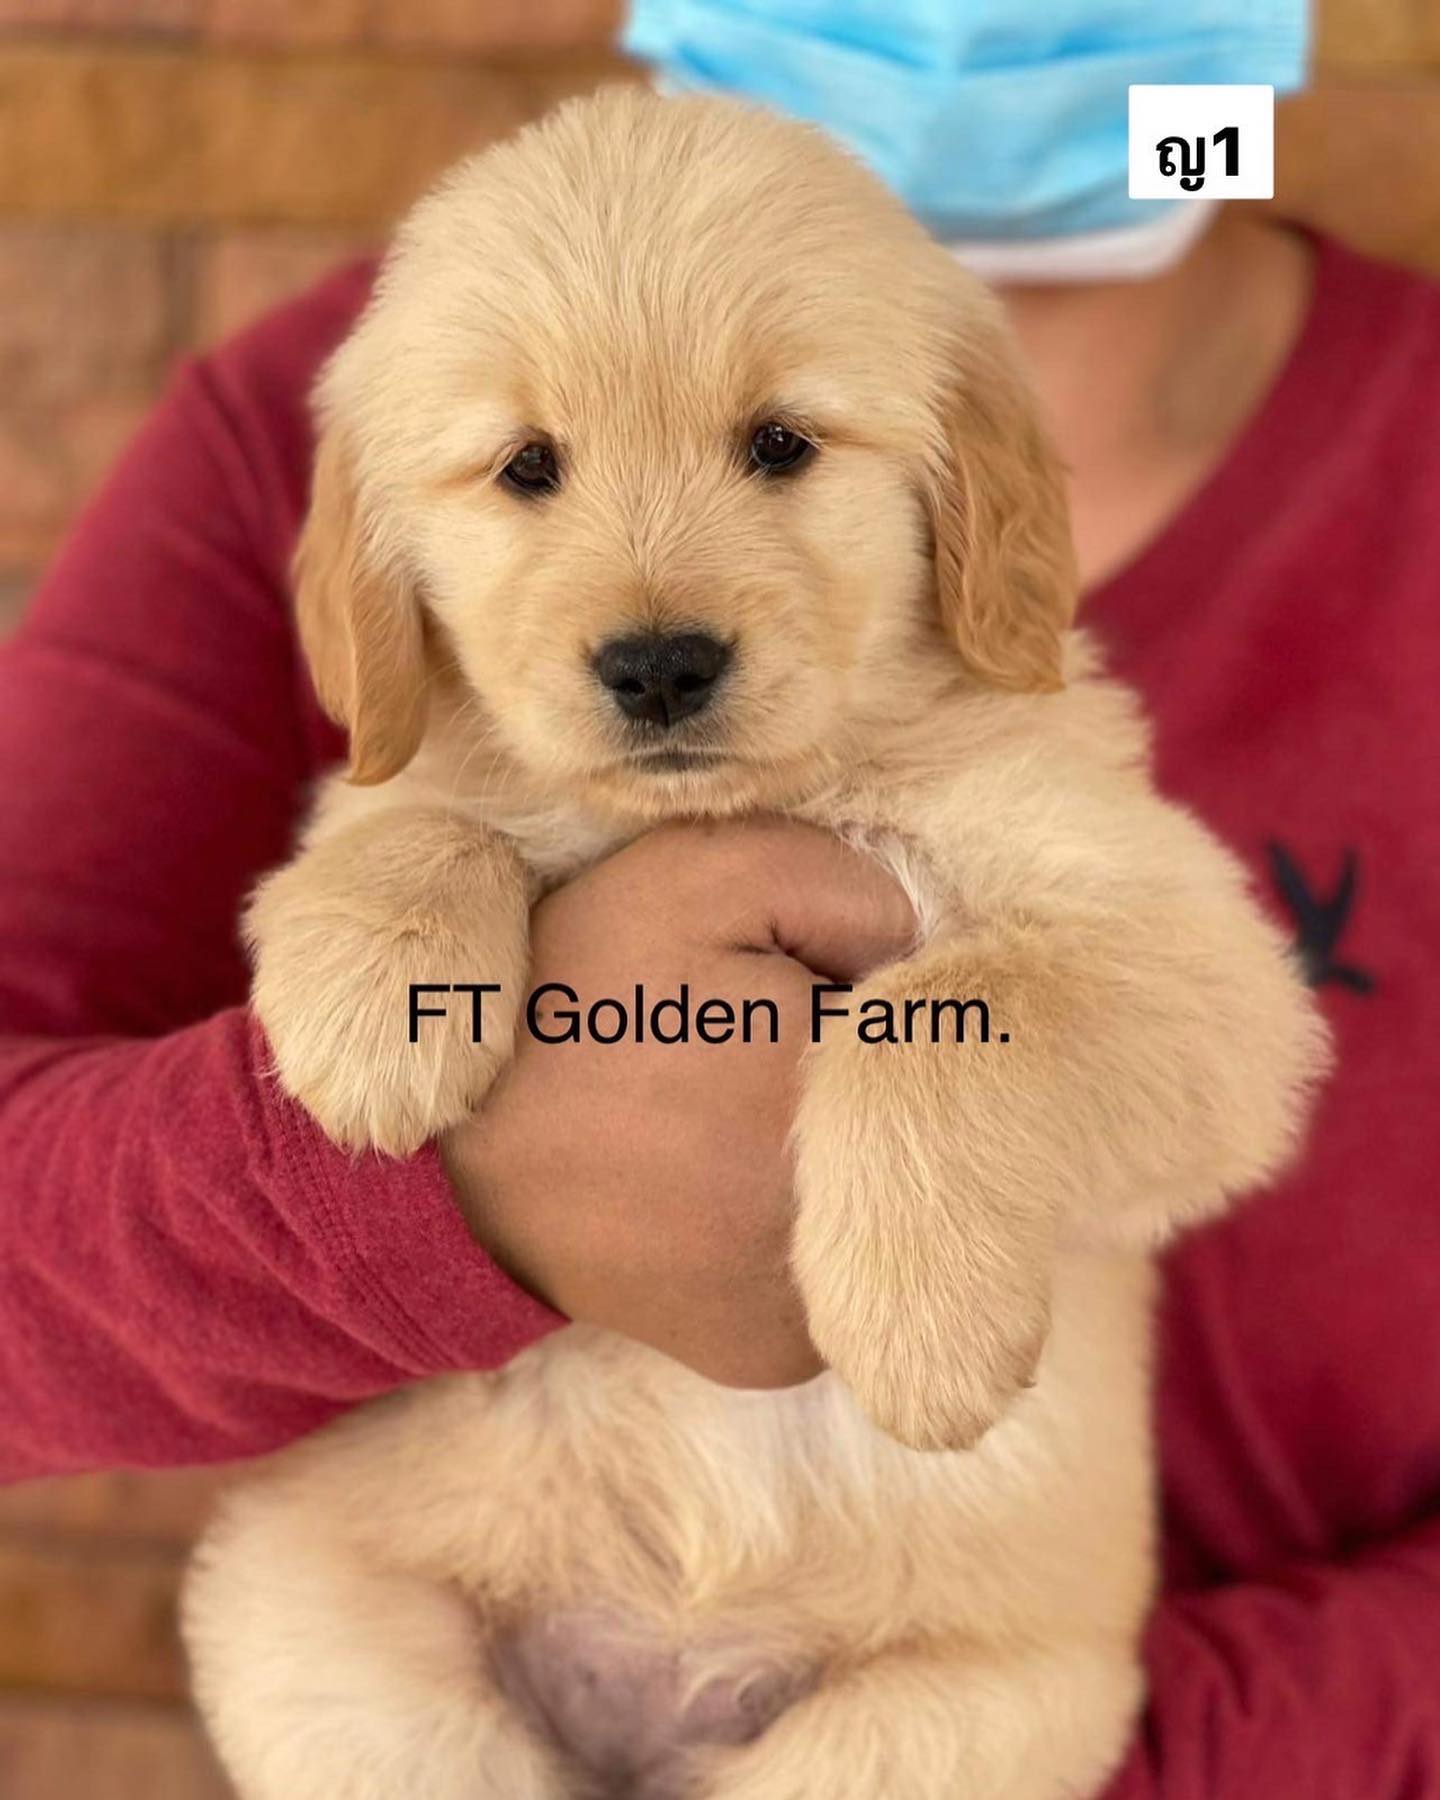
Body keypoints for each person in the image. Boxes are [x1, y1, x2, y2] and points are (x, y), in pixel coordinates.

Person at [1, 5, 1438, 1793]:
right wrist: (471, 1176)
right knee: (310, 1631)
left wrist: (950, 1068)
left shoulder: (1024, 705)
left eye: (781, 448)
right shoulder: (341, 410)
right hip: (445, 1622)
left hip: (946, 1689)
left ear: (980, 498)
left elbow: (1218, 1053)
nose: (656, 620)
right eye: (528, 473)